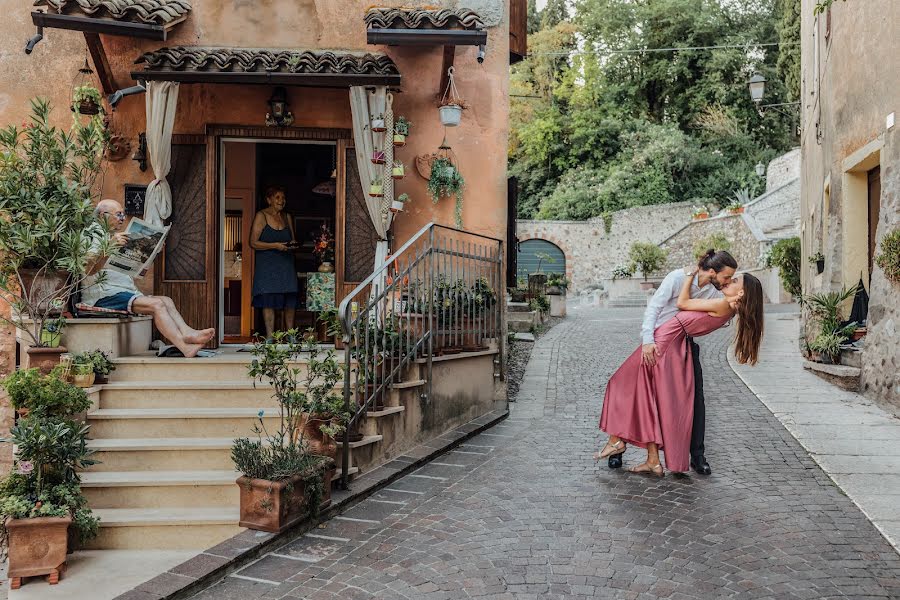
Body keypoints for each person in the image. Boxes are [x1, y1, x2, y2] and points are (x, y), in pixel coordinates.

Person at [596, 265, 764, 475]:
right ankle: (651, 459)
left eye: (734, 280)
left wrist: (690, 276)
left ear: (741, 293)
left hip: (666, 341)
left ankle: (618, 442)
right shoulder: (727, 306)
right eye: (729, 277)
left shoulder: (723, 304)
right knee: (646, 397)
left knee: (622, 384)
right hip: (669, 340)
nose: (728, 281)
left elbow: (682, 303)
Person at [616, 249, 739, 475]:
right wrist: (647, 340)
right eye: (726, 277)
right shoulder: (677, 278)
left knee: (695, 399)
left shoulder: (713, 292)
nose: (728, 281)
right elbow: (653, 308)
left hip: (684, 343)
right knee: (631, 389)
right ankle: (617, 449)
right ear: (712, 271)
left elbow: (708, 315)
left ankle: (697, 456)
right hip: (659, 341)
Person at [83, 199, 215, 358]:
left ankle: (187, 333)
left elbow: (133, 271)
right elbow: (88, 269)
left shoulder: (115, 235)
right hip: (103, 295)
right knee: (157, 304)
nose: (123, 218)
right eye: (118, 214)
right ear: (103, 215)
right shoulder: (91, 234)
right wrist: (109, 246)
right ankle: (184, 346)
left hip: (121, 291)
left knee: (166, 300)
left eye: (123, 215)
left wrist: (146, 258)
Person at [250, 186, 299, 338]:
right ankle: (270, 338)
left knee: (290, 300)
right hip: (267, 266)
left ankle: (291, 336)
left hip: (286, 264)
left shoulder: (287, 217)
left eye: (283, 198)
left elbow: (292, 239)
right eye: (277, 197)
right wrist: (275, 245)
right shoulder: (261, 216)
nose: (281, 201)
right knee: (268, 300)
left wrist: (293, 244)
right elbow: (253, 243)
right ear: (269, 200)